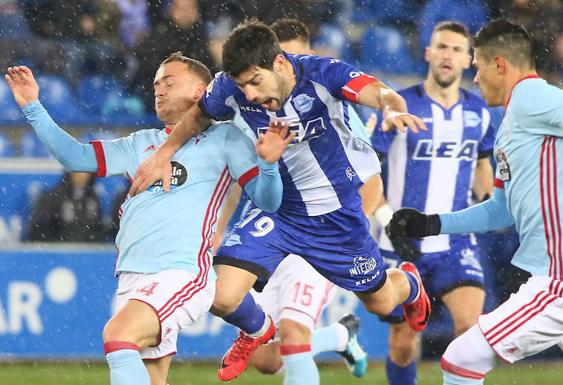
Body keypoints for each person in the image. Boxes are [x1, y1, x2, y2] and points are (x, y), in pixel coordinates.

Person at [128, 19, 431, 382]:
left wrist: (392, 109)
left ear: (281, 64)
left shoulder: (324, 73)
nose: (251, 95)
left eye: (256, 82)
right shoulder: (229, 89)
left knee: (381, 300)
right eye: (243, 86)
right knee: (221, 295)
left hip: (334, 217)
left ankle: (410, 284)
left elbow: (380, 92)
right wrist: (164, 153)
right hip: (278, 212)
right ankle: (256, 331)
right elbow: (199, 114)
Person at [5, 51, 292, 385]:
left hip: (180, 273)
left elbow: (269, 201)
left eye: (169, 81)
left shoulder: (225, 138)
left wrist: (269, 165)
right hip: (132, 277)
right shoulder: (140, 143)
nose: (159, 88)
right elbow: (76, 158)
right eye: (156, 83)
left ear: (200, 91)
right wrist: (32, 106)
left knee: (119, 335)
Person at [386, 19, 563, 385]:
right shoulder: (512, 124)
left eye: (478, 67)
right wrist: (433, 223)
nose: (475, 78)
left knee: (459, 359)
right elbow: (500, 208)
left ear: (500, 64)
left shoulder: (532, 97)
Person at [212, 18, 377, 385]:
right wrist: (222, 225)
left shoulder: (336, 106)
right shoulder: (252, 108)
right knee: (269, 360)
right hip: (274, 229)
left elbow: (370, 178)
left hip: (322, 228)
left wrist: (346, 231)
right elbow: (247, 178)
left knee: (294, 335)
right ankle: (340, 336)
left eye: (295, 56)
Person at [371, 21, 494, 385]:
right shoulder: (397, 106)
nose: (447, 55)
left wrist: (489, 200)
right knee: (404, 342)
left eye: (457, 50)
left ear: (469, 59)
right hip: (399, 242)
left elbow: (482, 163)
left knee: (470, 329)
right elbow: (366, 171)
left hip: (455, 240)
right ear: (427, 52)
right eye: (442, 47)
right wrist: (385, 217)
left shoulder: (480, 111)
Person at [27, 171, 107, 242]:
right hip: (59, 253)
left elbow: (97, 229)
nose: (82, 175)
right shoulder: (54, 198)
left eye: (85, 171)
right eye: (78, 171)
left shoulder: (93, 198)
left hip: (87, 254)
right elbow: (39, 229)